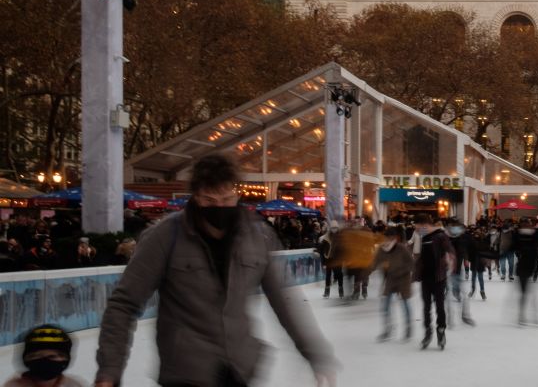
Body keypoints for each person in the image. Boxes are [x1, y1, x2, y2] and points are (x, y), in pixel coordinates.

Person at [94, 154, 335, 387]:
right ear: (196, 196)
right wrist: (109, 370)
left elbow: (283, 300)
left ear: (236, 193)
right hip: (186, 370)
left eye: (227, 199)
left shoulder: (256, 235)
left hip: (239, 367)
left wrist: (314, 353)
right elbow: (124, 304)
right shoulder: (165, 236)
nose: (219, 207)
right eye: (209, 200)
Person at [413, 214, 454, 350]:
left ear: (424, 224)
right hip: (425, 278)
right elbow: (418, 253)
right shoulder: (422, 236)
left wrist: (450, 258)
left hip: (438, 278)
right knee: (426, 307)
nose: (415, 228)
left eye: (417, 225)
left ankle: (440, 331)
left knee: (440, 307)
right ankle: (427, 332)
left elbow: (449, 250)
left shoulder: (440, 235)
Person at [369, 226, 414, 342]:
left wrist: (402, 271)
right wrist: (364, 274)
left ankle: (408, 328)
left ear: (396, 238)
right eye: (387, 237)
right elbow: (374, 263)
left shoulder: (402, 248)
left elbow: (411, 264)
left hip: (403, 279)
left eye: (392, 237)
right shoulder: (381, 249)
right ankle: (387, 329)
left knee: (405, 304)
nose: (389, 240)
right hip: (390, 279)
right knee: (385, 305)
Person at [4, 325, 85, 387]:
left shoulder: (74, 385)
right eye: (37, 355)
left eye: (52, 356)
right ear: (26, 358)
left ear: (66, 359)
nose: (45, 361)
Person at [513, 217, 538, 326]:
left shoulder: (534, 238)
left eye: (528, 225)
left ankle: (531, 317)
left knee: (530, 295)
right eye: (525, 225)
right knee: (525, 294)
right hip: (522, 269)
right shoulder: (521, 239)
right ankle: (522, 316)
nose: (527, 227)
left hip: (530, 268)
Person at [445, 218, 476, 327]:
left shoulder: (464, 238)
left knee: (463, 294)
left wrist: (468, 258)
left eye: (457, 227)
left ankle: (465, 315)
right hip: (447, 271)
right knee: (448, 295)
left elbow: (470, 249)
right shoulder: (445, 238)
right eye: (453, 226)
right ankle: (450, 318)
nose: (455, 229)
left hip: (458, 270)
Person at [317, 221, 344, 299]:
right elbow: (321, 250)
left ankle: (341, 292)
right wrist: (323, 263)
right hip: (328, 259)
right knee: (328, 276)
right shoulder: (326, 238)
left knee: (339, 275)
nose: (334, 229)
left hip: (338, 260)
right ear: (330, 228)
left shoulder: (340, 237)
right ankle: (326, 292)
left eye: (335, 228)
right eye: (333, 228)